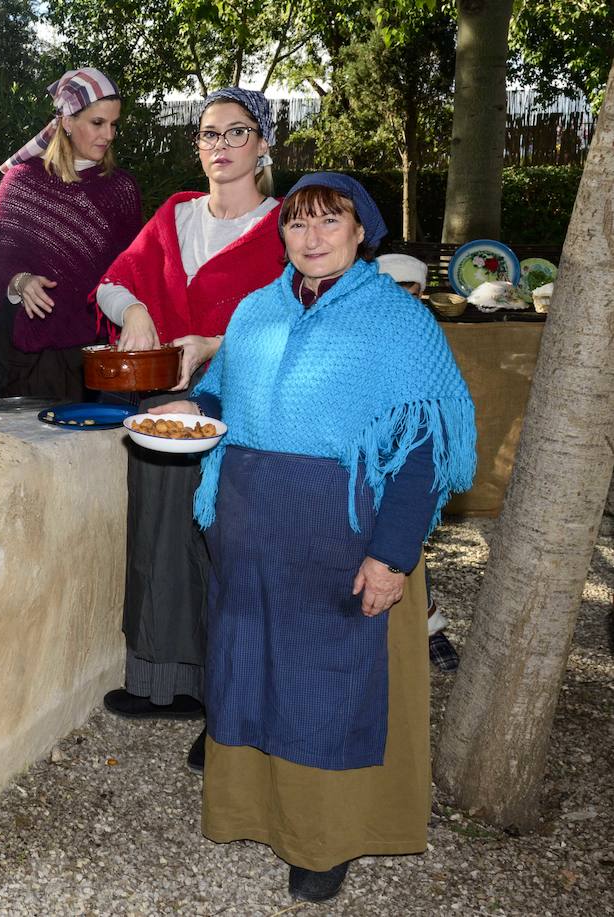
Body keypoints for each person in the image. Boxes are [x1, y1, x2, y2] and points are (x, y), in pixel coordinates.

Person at [162, 173, 475, 902]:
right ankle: (246, 808)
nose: (311, 237)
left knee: (329, 686)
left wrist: (392, 555)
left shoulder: (398, 324)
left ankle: (323, 841)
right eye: (299, 223)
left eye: (329, 222)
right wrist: (189, 402)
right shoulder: (256, 312)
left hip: (345, 538)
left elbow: (427, 448)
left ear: (361, 232)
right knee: (249, 667)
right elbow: (222, 393)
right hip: (250, 531)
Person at [96, 89, 285, 760]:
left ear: (264, 143)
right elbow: (110, 282)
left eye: (238, 133)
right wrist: (137, 310)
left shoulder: (288, 226)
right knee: (157, 532)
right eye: (210, 134)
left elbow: (298, 324)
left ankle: (227, 700)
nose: (222, 146)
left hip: (247, 411)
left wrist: (212, 344)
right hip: (162, 408)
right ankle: (160, 681)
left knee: (226, 544)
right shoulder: (176, 214)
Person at [0, 68, 143, 401]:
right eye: (98, 123)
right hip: (26, 359)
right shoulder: (21, 183)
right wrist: (20, 282)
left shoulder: (122, 189)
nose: (109, 134)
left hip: (96, 359)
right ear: (67, 122)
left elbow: (131, 271)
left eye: (114, 125)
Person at [376, 252, 461, 671]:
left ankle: (428, 626)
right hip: (369, 455)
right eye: (389, 286)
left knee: (406, 540)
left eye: (406, 288)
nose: (398, 296)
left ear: (421, 291)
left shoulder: (423, 333)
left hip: (411, 452)